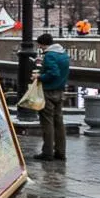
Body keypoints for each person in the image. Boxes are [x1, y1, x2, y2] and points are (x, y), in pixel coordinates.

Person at [33, 33, 70, 161]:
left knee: (47, 122)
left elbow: (53, 73)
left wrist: (39, 77)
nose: (40, 48)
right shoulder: (63, 54)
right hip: (60, 92)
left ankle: (47, 152)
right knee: (59, 122)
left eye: (40, 45)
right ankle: (61, 152)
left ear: (43, 44)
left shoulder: (49, 56)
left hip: (48, 91)